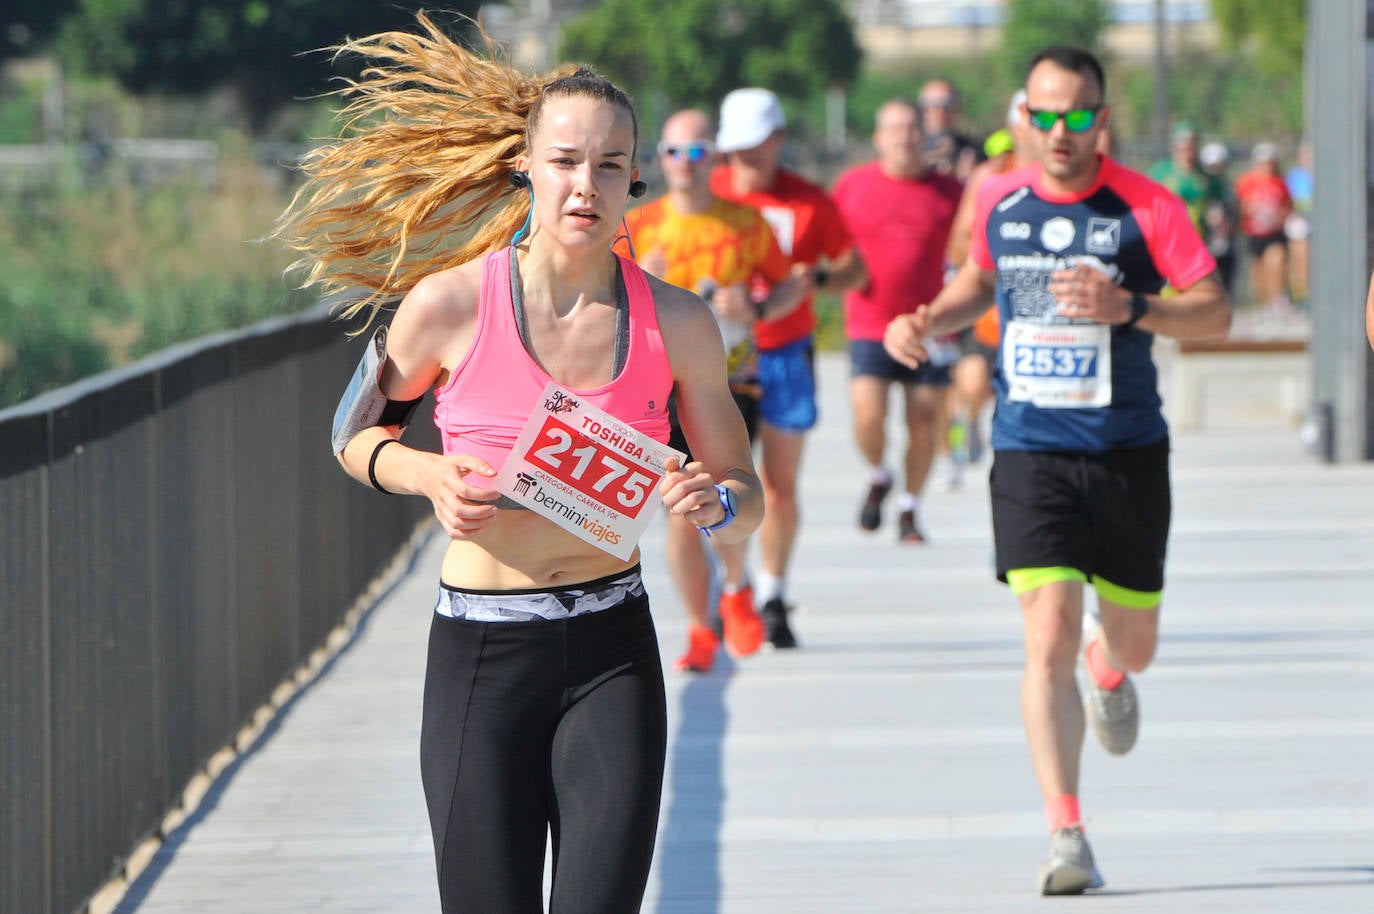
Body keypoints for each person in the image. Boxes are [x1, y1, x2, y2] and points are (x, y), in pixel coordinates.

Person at [272, 15, 763, 913]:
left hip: (614, 648)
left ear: (634, 182)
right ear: (526, 168)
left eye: (610, 164)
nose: (587, 184)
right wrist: (426, 476)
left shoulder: (681, 323)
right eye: (568, 160)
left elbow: (744, 488)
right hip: (483, 651)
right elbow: (351, 434)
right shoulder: (451, 303)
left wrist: (715, 501)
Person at [883, 45, 1230, 895]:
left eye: (1077, 115)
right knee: (1045, 638)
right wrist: (927, 320)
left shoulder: (1146, 205)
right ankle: (1067, 833)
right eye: (1044, 115)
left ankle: (1110, 664)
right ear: (1023, 119)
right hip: (1031, 449)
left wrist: (1132, 307)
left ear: (1102, 119)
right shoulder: (1002, 201)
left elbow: (1215, 312)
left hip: (1127, 453)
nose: (1060, 131)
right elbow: (977, 281)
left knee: (1134, 645)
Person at [623, 108, 812, 672]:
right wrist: (638, 276)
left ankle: (734, 588)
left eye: (698, 151)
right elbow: (603, 304)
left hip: (732, 381)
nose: (685, 163)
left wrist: (752, 306)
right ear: (660, 160)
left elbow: (790, 290)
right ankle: (701, 628)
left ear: (716, 158)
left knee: (727, 490)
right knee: (678, 507)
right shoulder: (638, 226)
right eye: (675, 152)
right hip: (662, 387)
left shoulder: (747, 223)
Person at [711, 87, 865, 648]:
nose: (743, 160)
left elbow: (853, 269)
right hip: (722, 358)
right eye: (735, 148)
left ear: (778, 140)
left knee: (779, 485)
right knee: (725, 481)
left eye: (755, 146)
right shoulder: (710, 194)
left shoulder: (807, 200)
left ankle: (773, 592)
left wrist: (816, 280)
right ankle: (735, 588)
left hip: (785, 352)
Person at [832, 98, 962, 541]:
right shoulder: (852, 186)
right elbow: (829, 245)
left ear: (924, 135)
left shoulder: (950, 192)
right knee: (868, 415)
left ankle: (909, 507)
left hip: (929, 323)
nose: (904, 137)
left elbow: (970, 249)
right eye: (894, 129)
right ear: (878, 138)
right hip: (870, 321)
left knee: (924, 421)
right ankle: (879, 474)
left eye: (911, 128)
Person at [942, 89, 1037, 481]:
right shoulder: (991, 176)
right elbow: (957, 245)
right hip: (989, 301)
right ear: (1015, 125)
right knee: (974, 383)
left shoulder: (1077, 179)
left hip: (1037, 311)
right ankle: (960, 437)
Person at [1234, 141, 1295, 313]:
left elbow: (1288, 205)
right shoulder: (1246, 181)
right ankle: (1264, 304)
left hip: (1274, 232)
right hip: (1254, 233)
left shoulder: (1280, 182)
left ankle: (1277, 299)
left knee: (1276, 261)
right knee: (1258, 272)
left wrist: (1281, 216)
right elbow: (1238, 205)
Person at [1147, 122, 1228, 244]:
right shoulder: (1160, 173)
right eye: (1183, 141)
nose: (1188, 146)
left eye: (1192, 141)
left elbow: (1219, 207)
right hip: (1166, 243)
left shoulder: (1208, 178)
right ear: (1174, 145)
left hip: (1198, 244)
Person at [917, 78, 983, 183]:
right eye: (932, 104)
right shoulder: (911, 149)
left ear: (958, 109)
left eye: (947, 104)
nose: (940, 111)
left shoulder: (972, 149)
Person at [1198, 140, 1239, 294]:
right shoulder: (1198, 189)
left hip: (1226, 249)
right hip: (1204, 249)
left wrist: (1228, 226)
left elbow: (1236, 219)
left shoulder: (1229, 191)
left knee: (1225, 291)